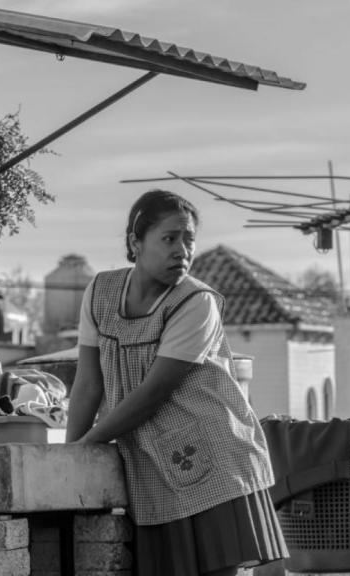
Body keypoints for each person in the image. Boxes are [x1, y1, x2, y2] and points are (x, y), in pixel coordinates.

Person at [66, 190, 287, 576]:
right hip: (152, 469)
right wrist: (69, 457)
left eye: (189, 239)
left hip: (217, 461)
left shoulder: (196, 302)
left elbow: (153, 393)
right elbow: (88, 383)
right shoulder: (99, 293)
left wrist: (90, 443)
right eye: (169, 238)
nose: (182, 251)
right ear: (136, 242)